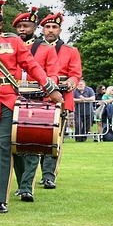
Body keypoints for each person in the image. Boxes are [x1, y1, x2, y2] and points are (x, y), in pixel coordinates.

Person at [0, 0, 62, 214]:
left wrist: (50, 88)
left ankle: (0, 198)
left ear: (0, 24)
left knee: (3, 149)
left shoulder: (13, 42)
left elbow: (32, 66)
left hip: (5, 102)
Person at [11, 6, 58, 202]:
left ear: (34, 27)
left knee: (31, 144)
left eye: (26, 26)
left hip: (36, 99)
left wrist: (47, 89)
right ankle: (22, 182)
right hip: (13, 98)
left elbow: (53, 73)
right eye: (19, 26)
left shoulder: (46, 49)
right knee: (15, 145)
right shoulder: (10, 46)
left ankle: (26, 187)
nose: (22, 29)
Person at [37, 12, 82, 187]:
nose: (50, 30)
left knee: (54, 138)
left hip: (60, 98)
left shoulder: (70, 51)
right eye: (47, 27)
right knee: (36, 135)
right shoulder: (34, 49)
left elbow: (76, 74)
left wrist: (68, 83)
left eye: (54, 27)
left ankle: (48, 175)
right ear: (42, 29)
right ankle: (34, 175)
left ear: (60, 30)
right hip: (38, 97)